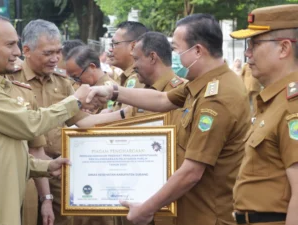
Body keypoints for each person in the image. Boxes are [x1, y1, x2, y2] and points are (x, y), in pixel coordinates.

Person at [87, 14, 251, 225]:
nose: (174, 56)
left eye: (176, 49)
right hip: (191, 211)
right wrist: (112, 92)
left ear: (198, 51)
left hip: (208, 216)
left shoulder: (217, 98)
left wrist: (146, 209)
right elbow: (163, 99)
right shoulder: (203, 83)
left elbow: (192, 172)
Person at [0, 15, 104, 225]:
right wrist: (75, 101)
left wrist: (45, 167)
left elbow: (5, 150)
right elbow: (30, 124)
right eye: (10, 45)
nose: (17, 52)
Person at [11, 19, 128, 225]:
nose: (55, 58)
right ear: (26, 50)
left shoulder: (62, 83)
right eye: (48, 53)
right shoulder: (10, 81)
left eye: (58, 51)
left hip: (57, 170)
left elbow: (84, 122)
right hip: (23, 170)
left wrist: (124, 115)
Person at [230, 4, 298, 225]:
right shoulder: (273, 100)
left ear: (283, 48)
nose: (247, 53)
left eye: (254, 44)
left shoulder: (293, 106)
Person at [131, 31, 184, 119]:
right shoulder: (141, 90)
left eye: (136, 59)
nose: (133, 66)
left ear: (152, 57)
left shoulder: (182, 92)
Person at [109, 21, 148, 118]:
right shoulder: (125, 77)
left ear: (133, 46)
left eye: (115, 44)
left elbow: (125, 121)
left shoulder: (137, 79)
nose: (110, 49)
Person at [65, 46, 118, 113]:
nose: (77, 83)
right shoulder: (86, 87)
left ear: (92, 67)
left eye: (77, 78)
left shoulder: (111, 91)